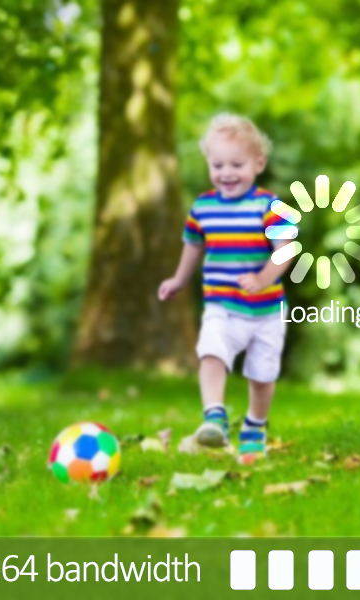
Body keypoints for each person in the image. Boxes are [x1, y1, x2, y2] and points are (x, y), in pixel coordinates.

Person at [157, 113, 292, 464]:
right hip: (222, 305)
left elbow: (287, 250)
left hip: (265, 311)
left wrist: (263, 278)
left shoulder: (271, 206)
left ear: (258, 164)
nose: (226, 172)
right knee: (212, 351)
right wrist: (179, 279)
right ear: (208, 164)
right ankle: (214, 416)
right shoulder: (203, 206)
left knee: (262, 377)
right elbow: (192, 245)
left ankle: (254, 426)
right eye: (218, 165)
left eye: (237, 164)